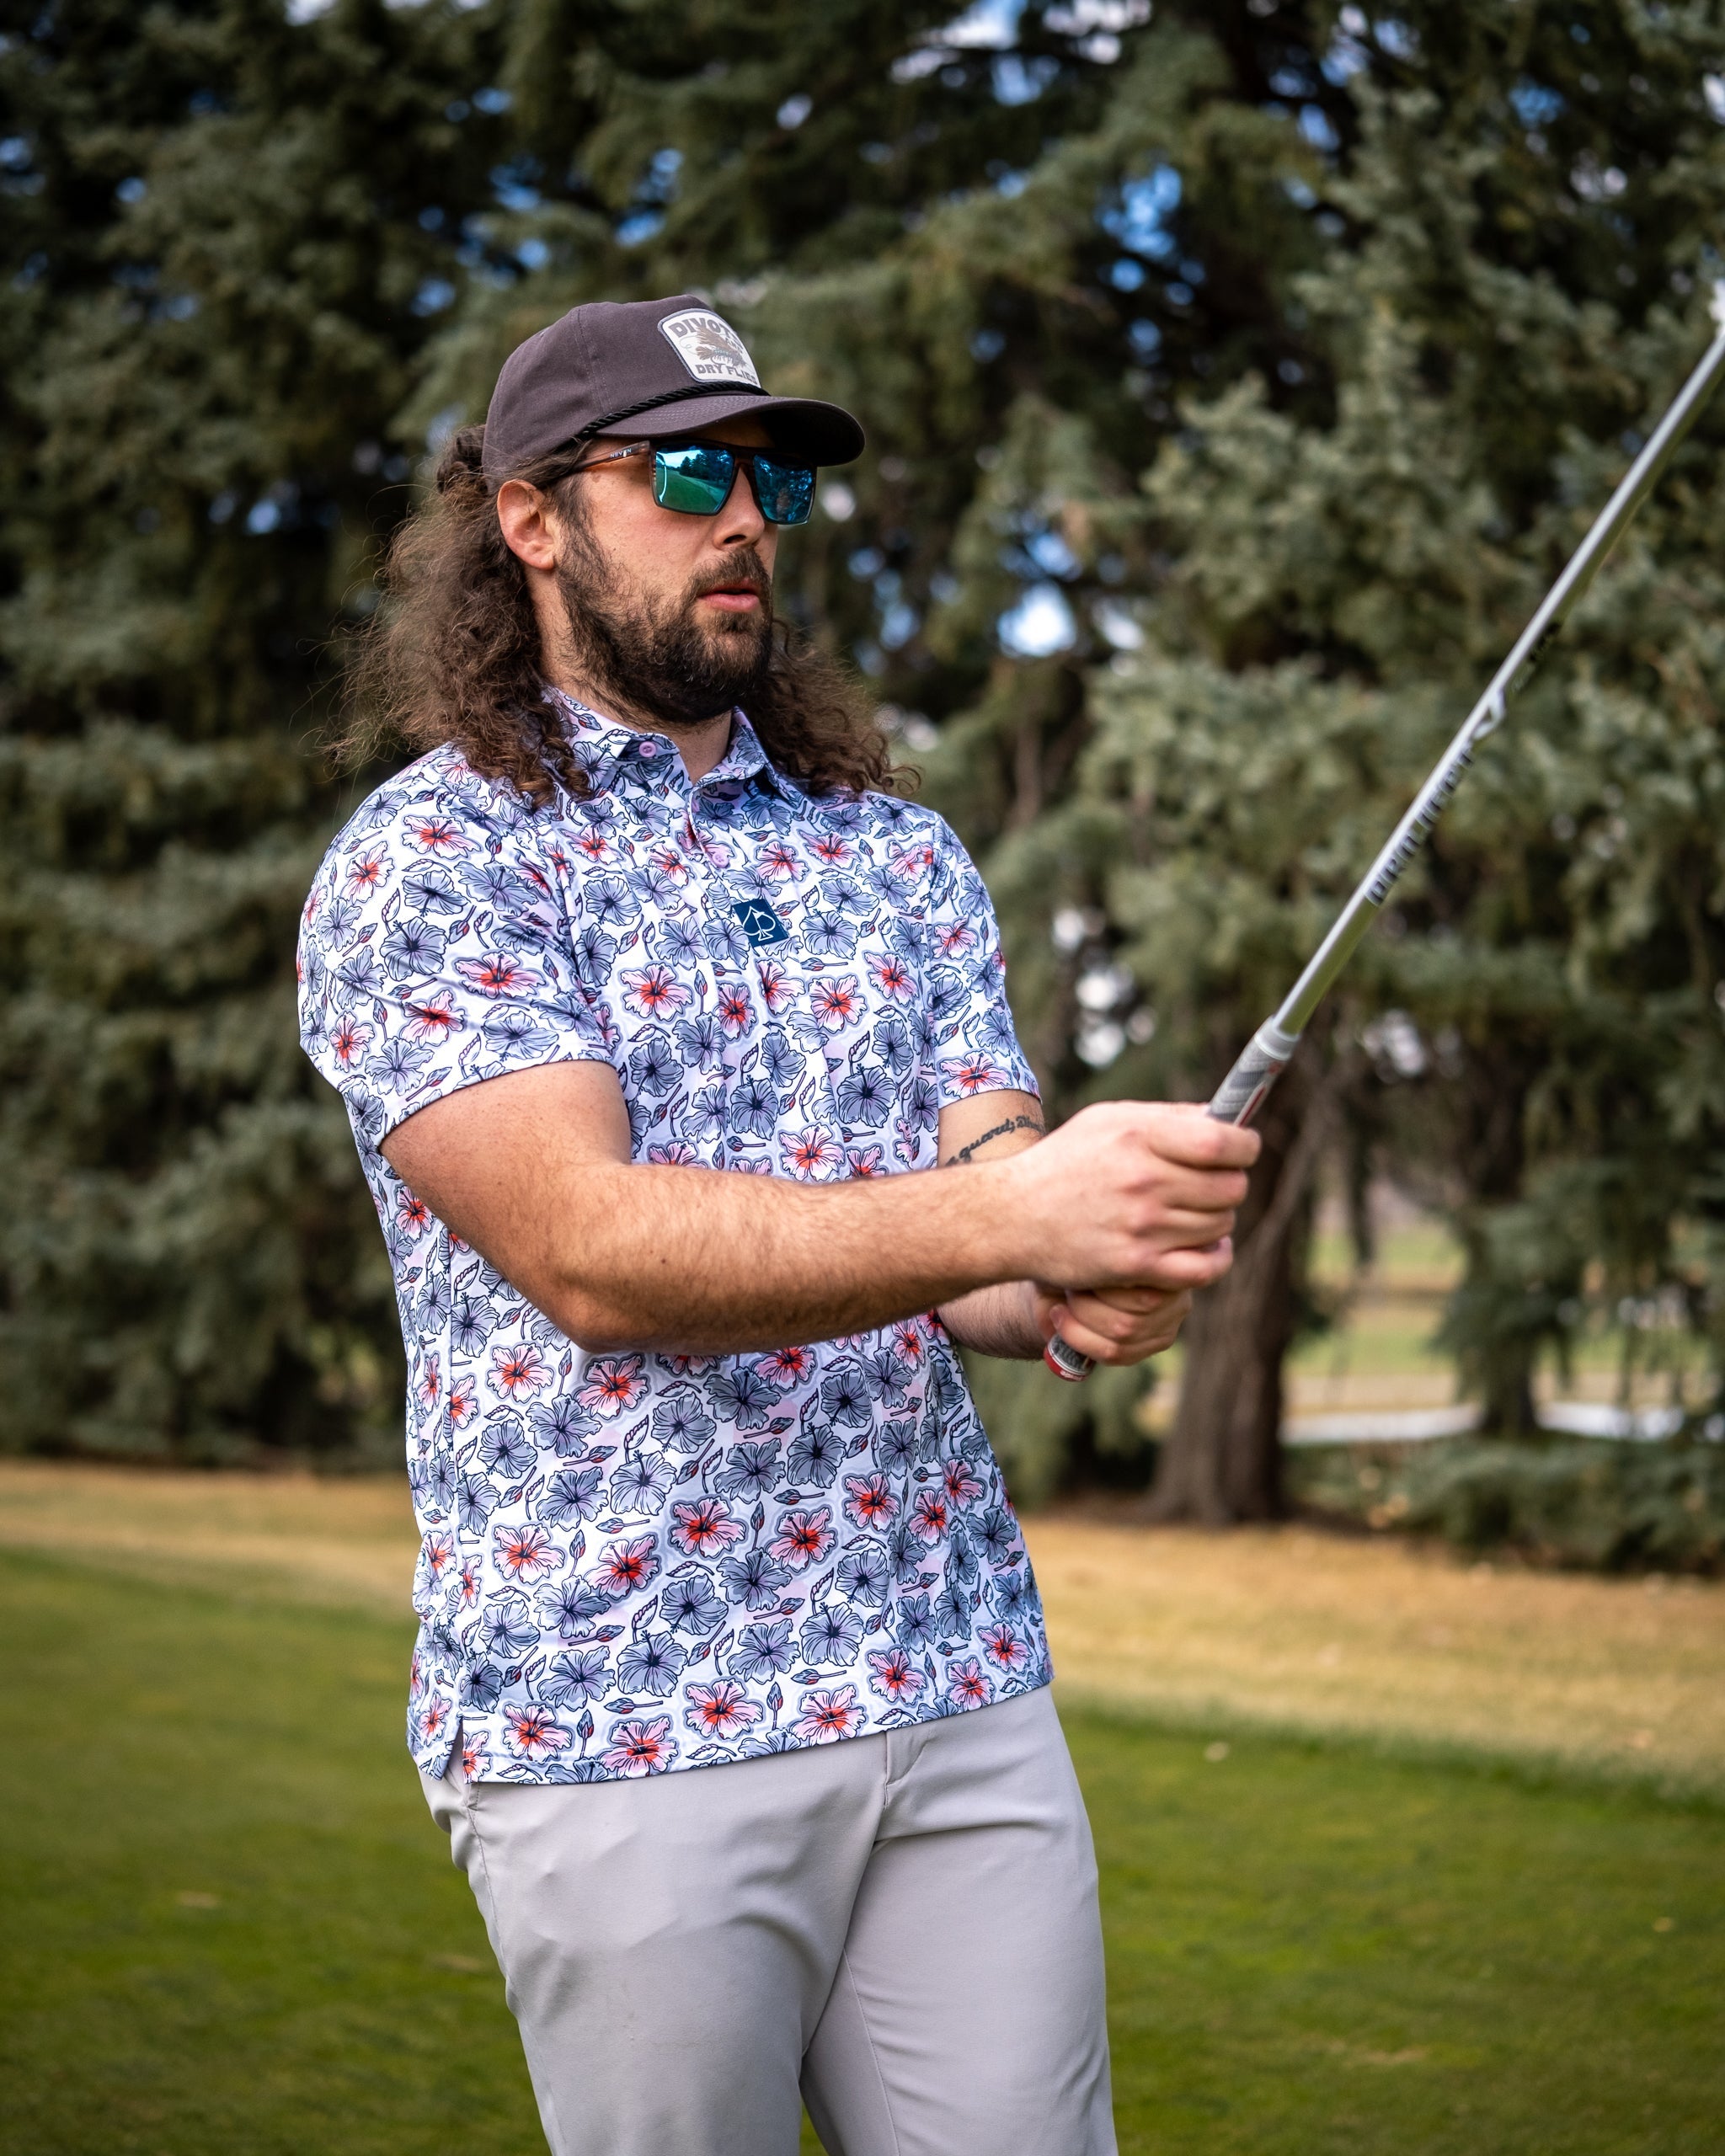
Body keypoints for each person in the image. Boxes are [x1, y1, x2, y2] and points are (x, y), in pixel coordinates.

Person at [300, 293, 1258, 2156]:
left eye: (768, 479)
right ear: (530, 514)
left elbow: (988, 1196)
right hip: (619, 1714)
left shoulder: (894, 848)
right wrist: (1013, 1210)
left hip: (953, 1672)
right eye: (683, 472)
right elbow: (592, 1251)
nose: (742, 514)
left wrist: (1080, 1268)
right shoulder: (435, 858)